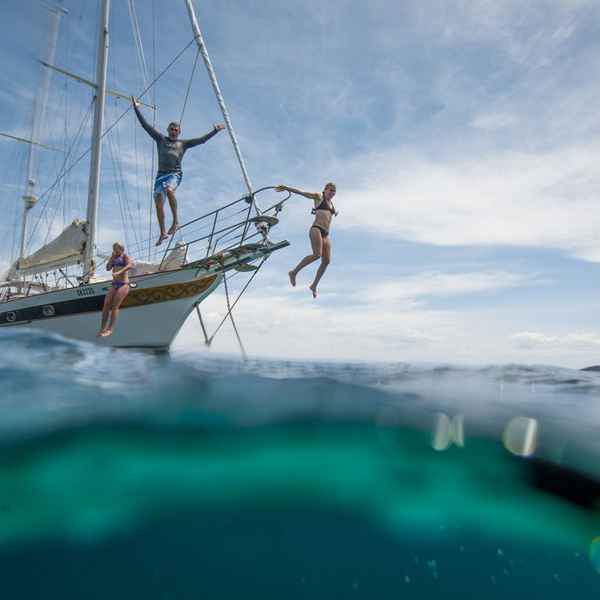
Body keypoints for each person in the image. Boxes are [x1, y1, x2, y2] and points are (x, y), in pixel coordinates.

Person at [132, 97, 225, 246]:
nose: (174, 131)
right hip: (160, 176)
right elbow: (145, 125)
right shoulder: (161, 139)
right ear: (168, 130)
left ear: (179, 132)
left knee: (169, 190)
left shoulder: (184, 144)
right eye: (172, 129)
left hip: (174, 174)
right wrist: (136, 108)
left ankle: (175, 222)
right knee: (158, 204)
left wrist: (215, 131)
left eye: (176, 130)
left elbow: (201, 140)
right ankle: (162, 233)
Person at [276, 182, 338, 298]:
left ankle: (314, 286)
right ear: (325, 190)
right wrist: (286, 188)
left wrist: (334, 212)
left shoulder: (332, 204)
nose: (332, 194)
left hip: (326, 234)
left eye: (334, 192)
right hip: (316, 229)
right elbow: (302, 193)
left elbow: (328, 214)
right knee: (317, 255)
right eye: (330, 191)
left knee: (326, 262)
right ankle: (293, 272)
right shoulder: (318, 197)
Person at [98, 242, 133, 338]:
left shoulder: (125, 256)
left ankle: (110, 329)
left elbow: (130, 265)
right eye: (114, 248)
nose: (114, 250)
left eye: (116, 248)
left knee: (114, 306)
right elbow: (108, 268)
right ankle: (102, 328)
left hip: (123, 284)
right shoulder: (114, 257)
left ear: (121, 249)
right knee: (106, 305)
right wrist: (111, 258)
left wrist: (119, 272)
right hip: (114, 284)